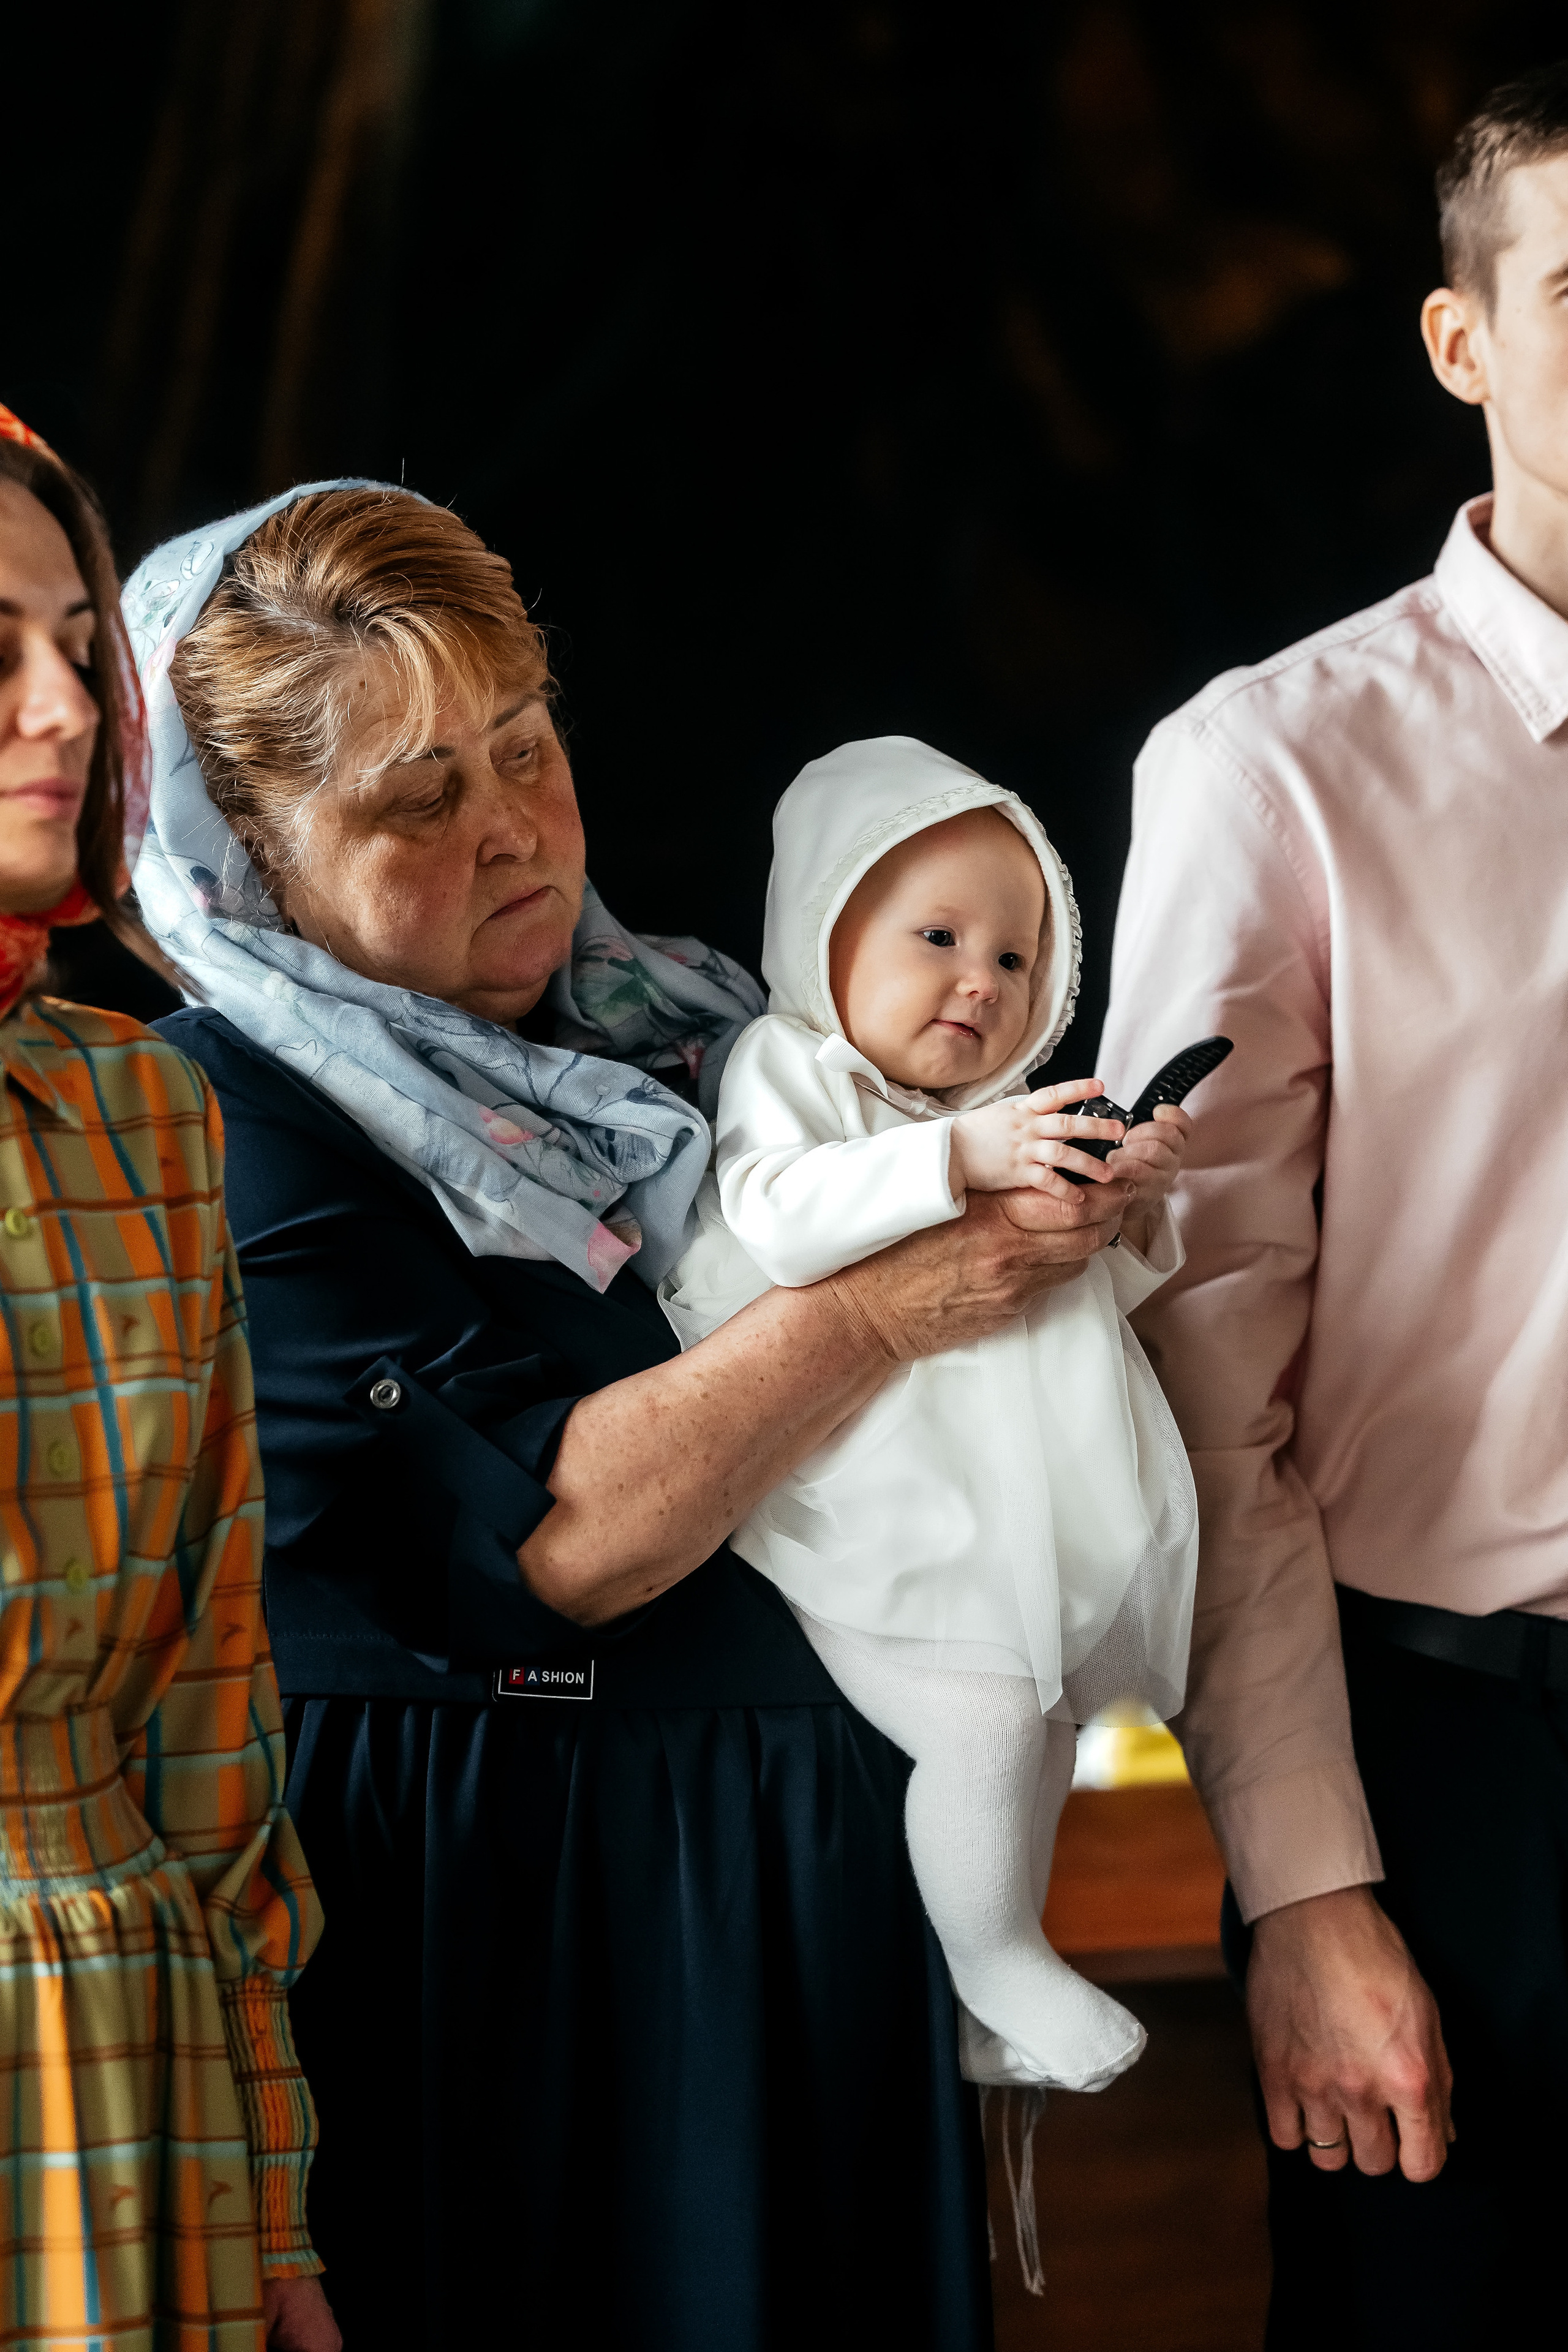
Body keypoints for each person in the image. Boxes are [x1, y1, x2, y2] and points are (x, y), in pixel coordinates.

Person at [121, 480, 1133, 2350]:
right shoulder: (221, 1126)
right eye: (418, 798)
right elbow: (550, 1544)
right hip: (512, 1924)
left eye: (524, 749)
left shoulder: (682, 1036)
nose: (511, 829)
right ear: (247, 849)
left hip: (783, 1896)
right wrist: (889, 1305)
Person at [1098, 60, 1568, 2350]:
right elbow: (1207, 1404)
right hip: (1481, 1793)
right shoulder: (1265, 768)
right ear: (1462, 340)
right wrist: (1307, 1887)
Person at [663, 734, 1198, 2094]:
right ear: (823, 929)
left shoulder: (996, 1110)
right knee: (979, 1727)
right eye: (938, 936)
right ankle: (997, 1956)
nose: (979, 979)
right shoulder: (792, 1069)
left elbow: (1105, 1289)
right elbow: (775, 1221)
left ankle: (989, 1994)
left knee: (1039, 1722)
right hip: (854, 1499)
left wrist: (1122, 1199)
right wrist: (957, 1156)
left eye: (1015, 959)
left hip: (985, 1505)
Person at [0, 405, 336, 2350]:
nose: (61, 703)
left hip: (143, 2060)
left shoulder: (143, 1107)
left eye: (74, 642)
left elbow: (214, 1700)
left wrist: (274, 2202)